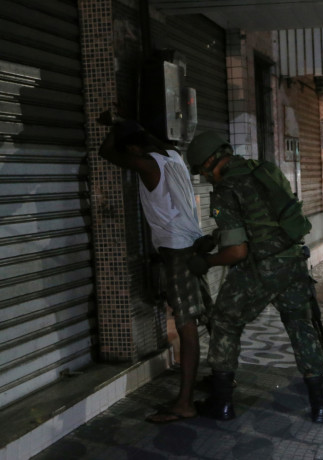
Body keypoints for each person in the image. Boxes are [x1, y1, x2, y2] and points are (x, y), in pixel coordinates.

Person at [185, 132, 323, 423]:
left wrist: (207, 261)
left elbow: (238, 252)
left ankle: (223, 403)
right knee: (301, 328)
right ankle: (320, 406)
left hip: (261, 269)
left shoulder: (226, 189)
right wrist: (215, 238)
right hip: (293, 262)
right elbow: (259, 218)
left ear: (211, 161)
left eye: (202, 171)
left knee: (225, 321)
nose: (204, 177)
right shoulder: (263, 170)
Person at [98, 120, 212, 424]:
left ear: (134, 149)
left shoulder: (149, 166)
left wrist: (113, 128)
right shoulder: (173, 156)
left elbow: (106, 151)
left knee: (187, 327)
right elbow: (145, 139)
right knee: (203, 317)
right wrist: (127, 125)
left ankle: (184, 403)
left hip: (177, 250)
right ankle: (221, 378)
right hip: (191, 244)